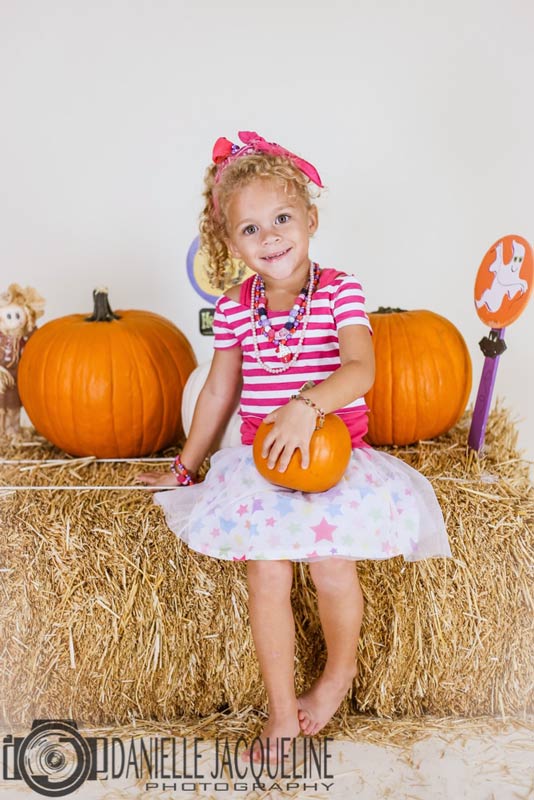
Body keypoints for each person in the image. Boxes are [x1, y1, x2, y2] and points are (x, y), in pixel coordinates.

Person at [136, 130, 451, 762]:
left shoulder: (340, 289)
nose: (271, 236)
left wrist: (308, 406)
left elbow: (361, 370)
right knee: (267, 567)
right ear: (228, 243)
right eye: (249, 229)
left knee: (331, 564)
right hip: (262, 461)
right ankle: (281, 712)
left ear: (309, 218)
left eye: (282, 218)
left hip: (336, 455)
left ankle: (336, 678)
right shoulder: (233, 308)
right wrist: (186, 465)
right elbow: (221, 392)